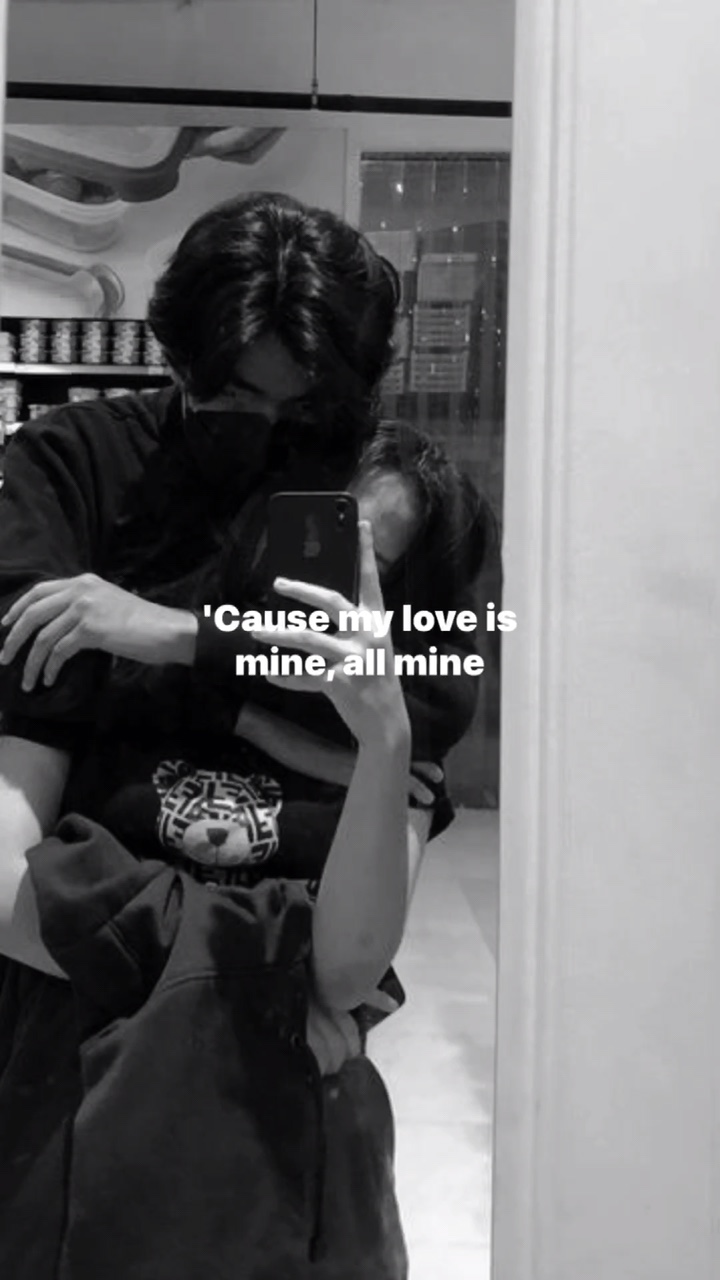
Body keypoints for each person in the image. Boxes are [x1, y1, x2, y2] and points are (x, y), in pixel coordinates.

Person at [0, 193, 493, 1277]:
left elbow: (423, 711)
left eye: (299, 403)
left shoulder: (389, 494)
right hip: (88, 1030)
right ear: (177, 356)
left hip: (247, 1046)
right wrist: (267, 984)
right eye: (225, 392)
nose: (261, 430)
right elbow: (16, 850)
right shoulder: (75, 463)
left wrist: (176, 637)